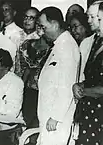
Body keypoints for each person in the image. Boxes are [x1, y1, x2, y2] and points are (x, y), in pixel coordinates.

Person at [37, 6, 80, 145]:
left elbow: (67, 85)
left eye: (44, 27)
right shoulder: (59, 45)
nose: (42, 32)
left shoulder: (67, 46)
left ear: (55, 24)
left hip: (56, 119)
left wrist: (56, 117)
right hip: (48, 115)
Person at [73, 1, 103, 145]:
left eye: (97, 18)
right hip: (90, 112)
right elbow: (93, 77)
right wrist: (79, 85)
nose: (91, 21)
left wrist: (84, 91)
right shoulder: (96, 42)